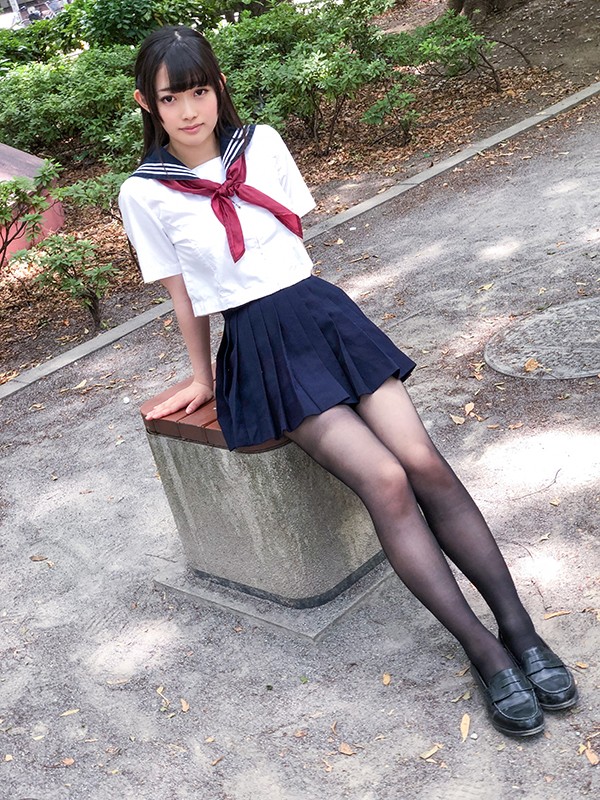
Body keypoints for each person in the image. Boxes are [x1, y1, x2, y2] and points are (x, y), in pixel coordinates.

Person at [119, 25, 577, 738]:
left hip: (322, 317)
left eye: (199, 91)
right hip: (262, 347)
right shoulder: (145, 193)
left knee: (424, 462)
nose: (189, 110)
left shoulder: (263, 145)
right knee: (386, 481)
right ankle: (485, 653)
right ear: (146, 103)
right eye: (171, 97)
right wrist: (203, 377)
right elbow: (186, 296)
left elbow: (287, 244)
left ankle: (521, 631)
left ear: (218, 88)